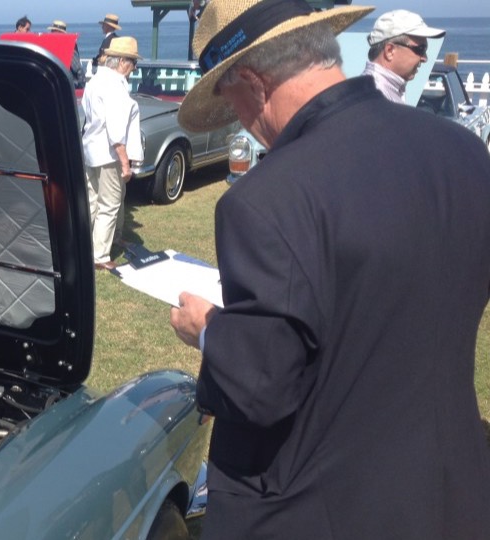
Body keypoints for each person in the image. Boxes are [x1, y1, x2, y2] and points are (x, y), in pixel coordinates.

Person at [171, 1, 490, 539]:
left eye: (233, 105)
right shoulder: (461, 150)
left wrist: (209, 330)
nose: (241, 123)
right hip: (450, 485)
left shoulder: (267, 198)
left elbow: (261, 385)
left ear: (252, 82)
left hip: (317, 510)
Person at [81, 37, 143, 271]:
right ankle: (100, 255)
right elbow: (116, 129)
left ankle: (89, 244)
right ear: (123, 62)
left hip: (92, 149)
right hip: (108, 153)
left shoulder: (94, 80)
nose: (133, 68)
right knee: (110, 203)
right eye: (133, 63)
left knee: (93, 201)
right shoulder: (116, 85)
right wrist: (125, 162)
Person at [362, 10, 445, 103]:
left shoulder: (379, 88)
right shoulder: (375, 95)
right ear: (390, 51)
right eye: (420, 49)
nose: (424, 58)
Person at [48, 19, 86, 89]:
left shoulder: (67, 47)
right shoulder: (56, 46)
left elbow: (78, 70)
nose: (51, 33)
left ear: (59, 32)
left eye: (53, 31)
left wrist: (80, 87)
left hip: (68, 86)